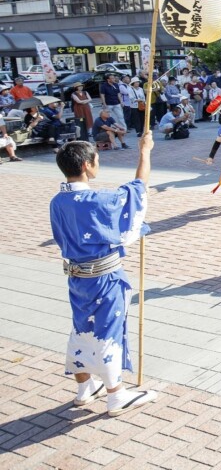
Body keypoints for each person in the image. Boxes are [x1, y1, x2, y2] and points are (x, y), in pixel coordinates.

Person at [49, 136, 158, 416]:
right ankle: (116, 395)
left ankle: (85, 387)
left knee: (82, 329)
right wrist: (145, 152)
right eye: (96, 159)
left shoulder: (58, 201)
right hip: (104, 277)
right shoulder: (97, 200)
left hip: (77, 278)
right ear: (87, 165)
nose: (98, 163)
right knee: (107, 331)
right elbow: (137, 189)